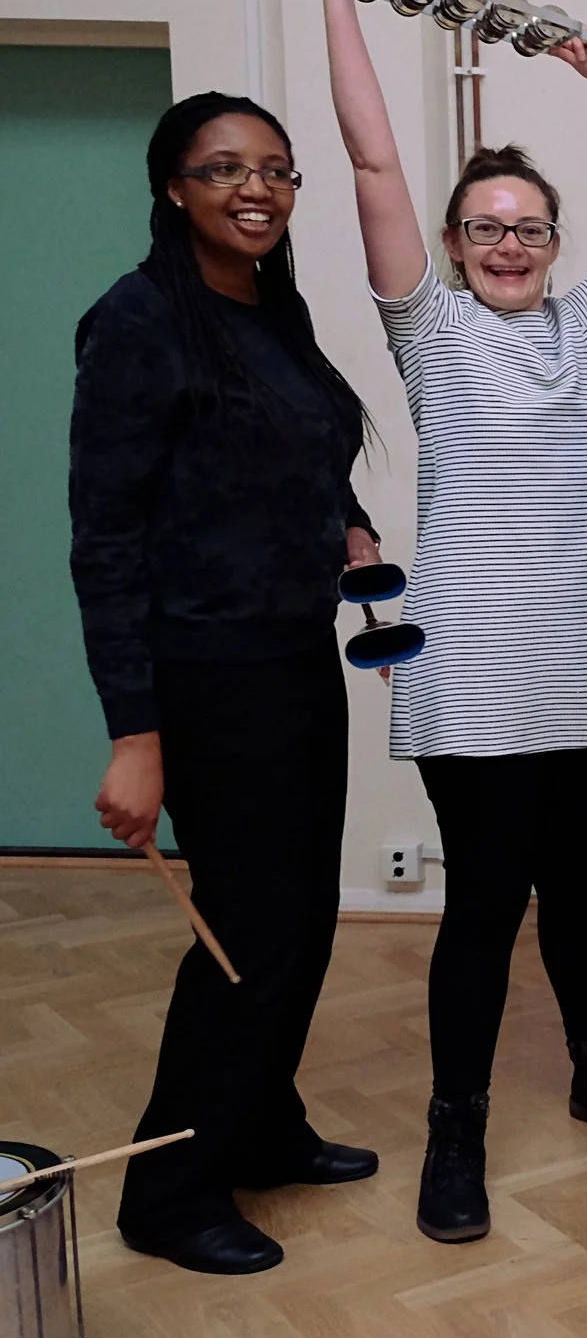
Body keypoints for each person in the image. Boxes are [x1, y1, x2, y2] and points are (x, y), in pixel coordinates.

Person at [291, 0, 587, 1246]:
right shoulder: (433, 325)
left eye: (527, 227)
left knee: (580, 890)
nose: (507, 242)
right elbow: (370, 161)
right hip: (470, 664)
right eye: (485, 227)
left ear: (551, 241)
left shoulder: (586, 322)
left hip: (583, 654)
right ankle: (454, 1127)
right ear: (455, 247)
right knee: (486, 898)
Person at [69, 92, 380, 1275]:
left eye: (276, 171)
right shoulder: (139, 321)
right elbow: (105, 541)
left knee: (301, 918)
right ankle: (169, 1186)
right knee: (244, 929)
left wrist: (345, 525)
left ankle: (259, 1122)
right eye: (224, 170)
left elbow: (293, 462)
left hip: (296, 656)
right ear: (173, 188)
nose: (256, 189)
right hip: (203, 678)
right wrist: (132, 734)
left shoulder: (271, 310)